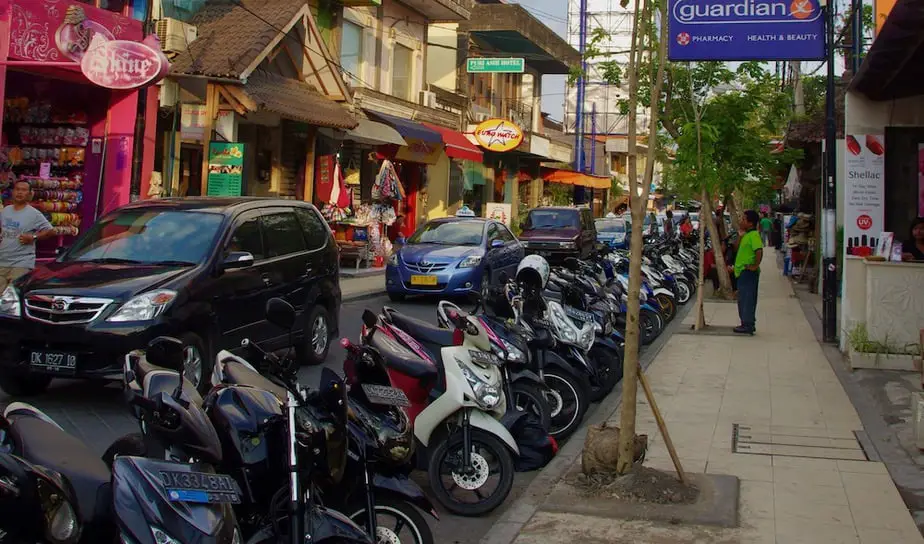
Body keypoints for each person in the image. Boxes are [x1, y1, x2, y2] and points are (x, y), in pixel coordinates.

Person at [0, 179, 54, 291]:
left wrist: (33, 237)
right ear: (13, 192)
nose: (20, 192)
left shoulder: (34, 214)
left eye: (23, 190)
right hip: (2, 261)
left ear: (29, 194)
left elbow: (50, 231)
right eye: (17, 189)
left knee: (14, 298)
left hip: (21, 263)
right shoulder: (5, 210)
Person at [731, 210, 763, 335]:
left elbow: (759, 250)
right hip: (741, 273)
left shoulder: (754, 235)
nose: (741, 221)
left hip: (748, 273)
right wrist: (740, 235)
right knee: (743, 298)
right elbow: (736, 247)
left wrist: (755, 266)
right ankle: (745, 322)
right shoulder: (746, 235)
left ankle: (748, 324)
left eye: (744, 219)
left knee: (748, 298)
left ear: (750, 223)